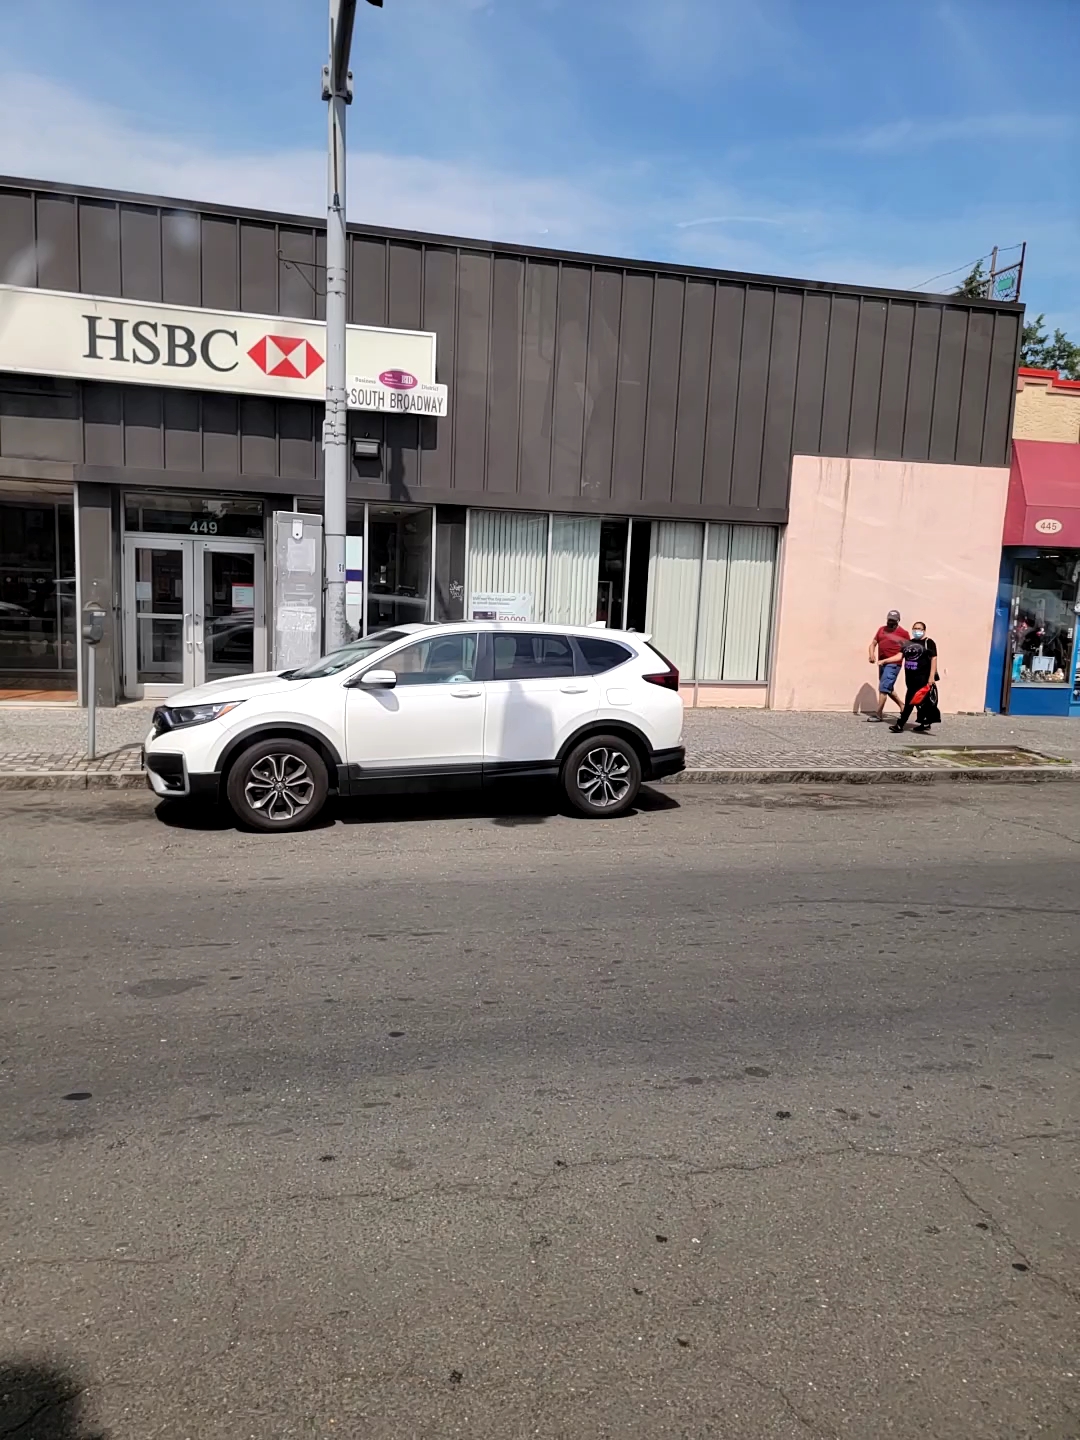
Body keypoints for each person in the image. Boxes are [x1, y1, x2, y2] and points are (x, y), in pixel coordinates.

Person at [890, 622, 940, 733]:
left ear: (924, 630)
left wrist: (931, 677)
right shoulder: (908, 643)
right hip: (910, 677)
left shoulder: (929, 642)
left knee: (910, 700)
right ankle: (925, 723)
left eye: (919, 629)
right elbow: (900, 656)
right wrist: (885, 661)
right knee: (920, 701)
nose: (917, 630)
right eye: (915, 628)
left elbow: (934, 658)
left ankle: (900, 724)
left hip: (922, 677)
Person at [867, 609, 909, 721]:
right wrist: (871, 654)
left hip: (894, 664)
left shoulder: (903, 633)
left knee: (883, 689)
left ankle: (878, 714)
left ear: (898, 621)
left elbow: (908, 650)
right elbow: (873, 644)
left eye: (893, 620)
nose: (891, 622)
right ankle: (902, 706)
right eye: (889, 620)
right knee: (886, 687)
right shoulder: (881, 630)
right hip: (882, 663)